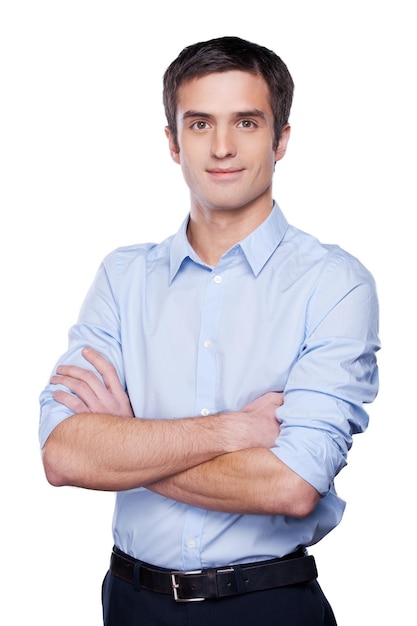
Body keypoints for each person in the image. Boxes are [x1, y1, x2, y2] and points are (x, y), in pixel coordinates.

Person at [39, 36, 380, 625]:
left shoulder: (335, 284)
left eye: (246, 122)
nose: (222, 147)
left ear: (282, 139)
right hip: (130, 604)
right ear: (173, 142)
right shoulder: (123, 278)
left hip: (268, 606)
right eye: (199, 124)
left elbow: (292, 486)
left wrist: (127, 440)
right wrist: (232, 431)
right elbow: (65, 455)